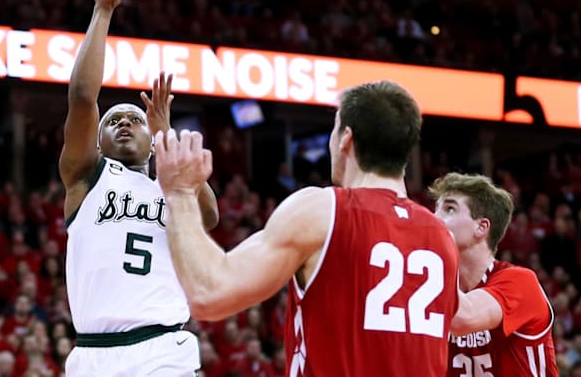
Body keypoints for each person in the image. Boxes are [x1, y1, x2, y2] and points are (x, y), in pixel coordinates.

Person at [155, 81, 460, 376]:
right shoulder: (442, 235)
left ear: (346, 139)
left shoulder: (323, 211)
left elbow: (210, 294)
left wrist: (180, 193)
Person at [59, 0, 219, 375]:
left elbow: (210, 217)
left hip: (163, 348)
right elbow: (81, 98)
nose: (126, 123)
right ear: (97, 145)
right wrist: (103, 9)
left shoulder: (173, 185)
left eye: (135, 118)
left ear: (152, 141)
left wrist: (167, 137)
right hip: (93, 354)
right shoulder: (86, 177)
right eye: (114, 121)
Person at [430, 173, 559, 376]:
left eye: (449, 209)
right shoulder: (438, 285)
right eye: (435, 209)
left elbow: (461, 318)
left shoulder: (521, 282)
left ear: (481, 227)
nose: (434, 217)